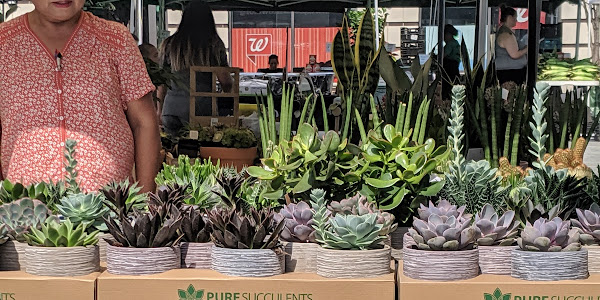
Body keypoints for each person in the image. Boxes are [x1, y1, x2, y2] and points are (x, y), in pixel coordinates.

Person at [0, 0, 160, 193]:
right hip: (26, 207)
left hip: (107, 205)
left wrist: (145, 200)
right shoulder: (4, 42)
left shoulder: (115, 39)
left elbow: (144, 122)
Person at [158, 1, 233, 137]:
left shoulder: (169, 44)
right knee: (200, 152)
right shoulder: (214, 45)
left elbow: (162, 82)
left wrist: (159, 110)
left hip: (171, 108)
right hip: (201, 109)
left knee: (174, 151)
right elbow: (226, 81)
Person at [496, 5, 528, 85]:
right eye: (515, 17)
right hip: (510, 73)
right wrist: (528, 48)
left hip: (511, 71)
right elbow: (514, 54)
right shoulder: (506, 34)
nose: (516, 20)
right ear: (510, 18)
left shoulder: (505, 31)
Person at [442, 24, 461, 100]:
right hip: (455, 68)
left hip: (449, 68)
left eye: (445, 35)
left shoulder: (450, 44)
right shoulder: (456, 43)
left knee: (447, 87)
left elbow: (444, 55)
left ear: (449, 34)